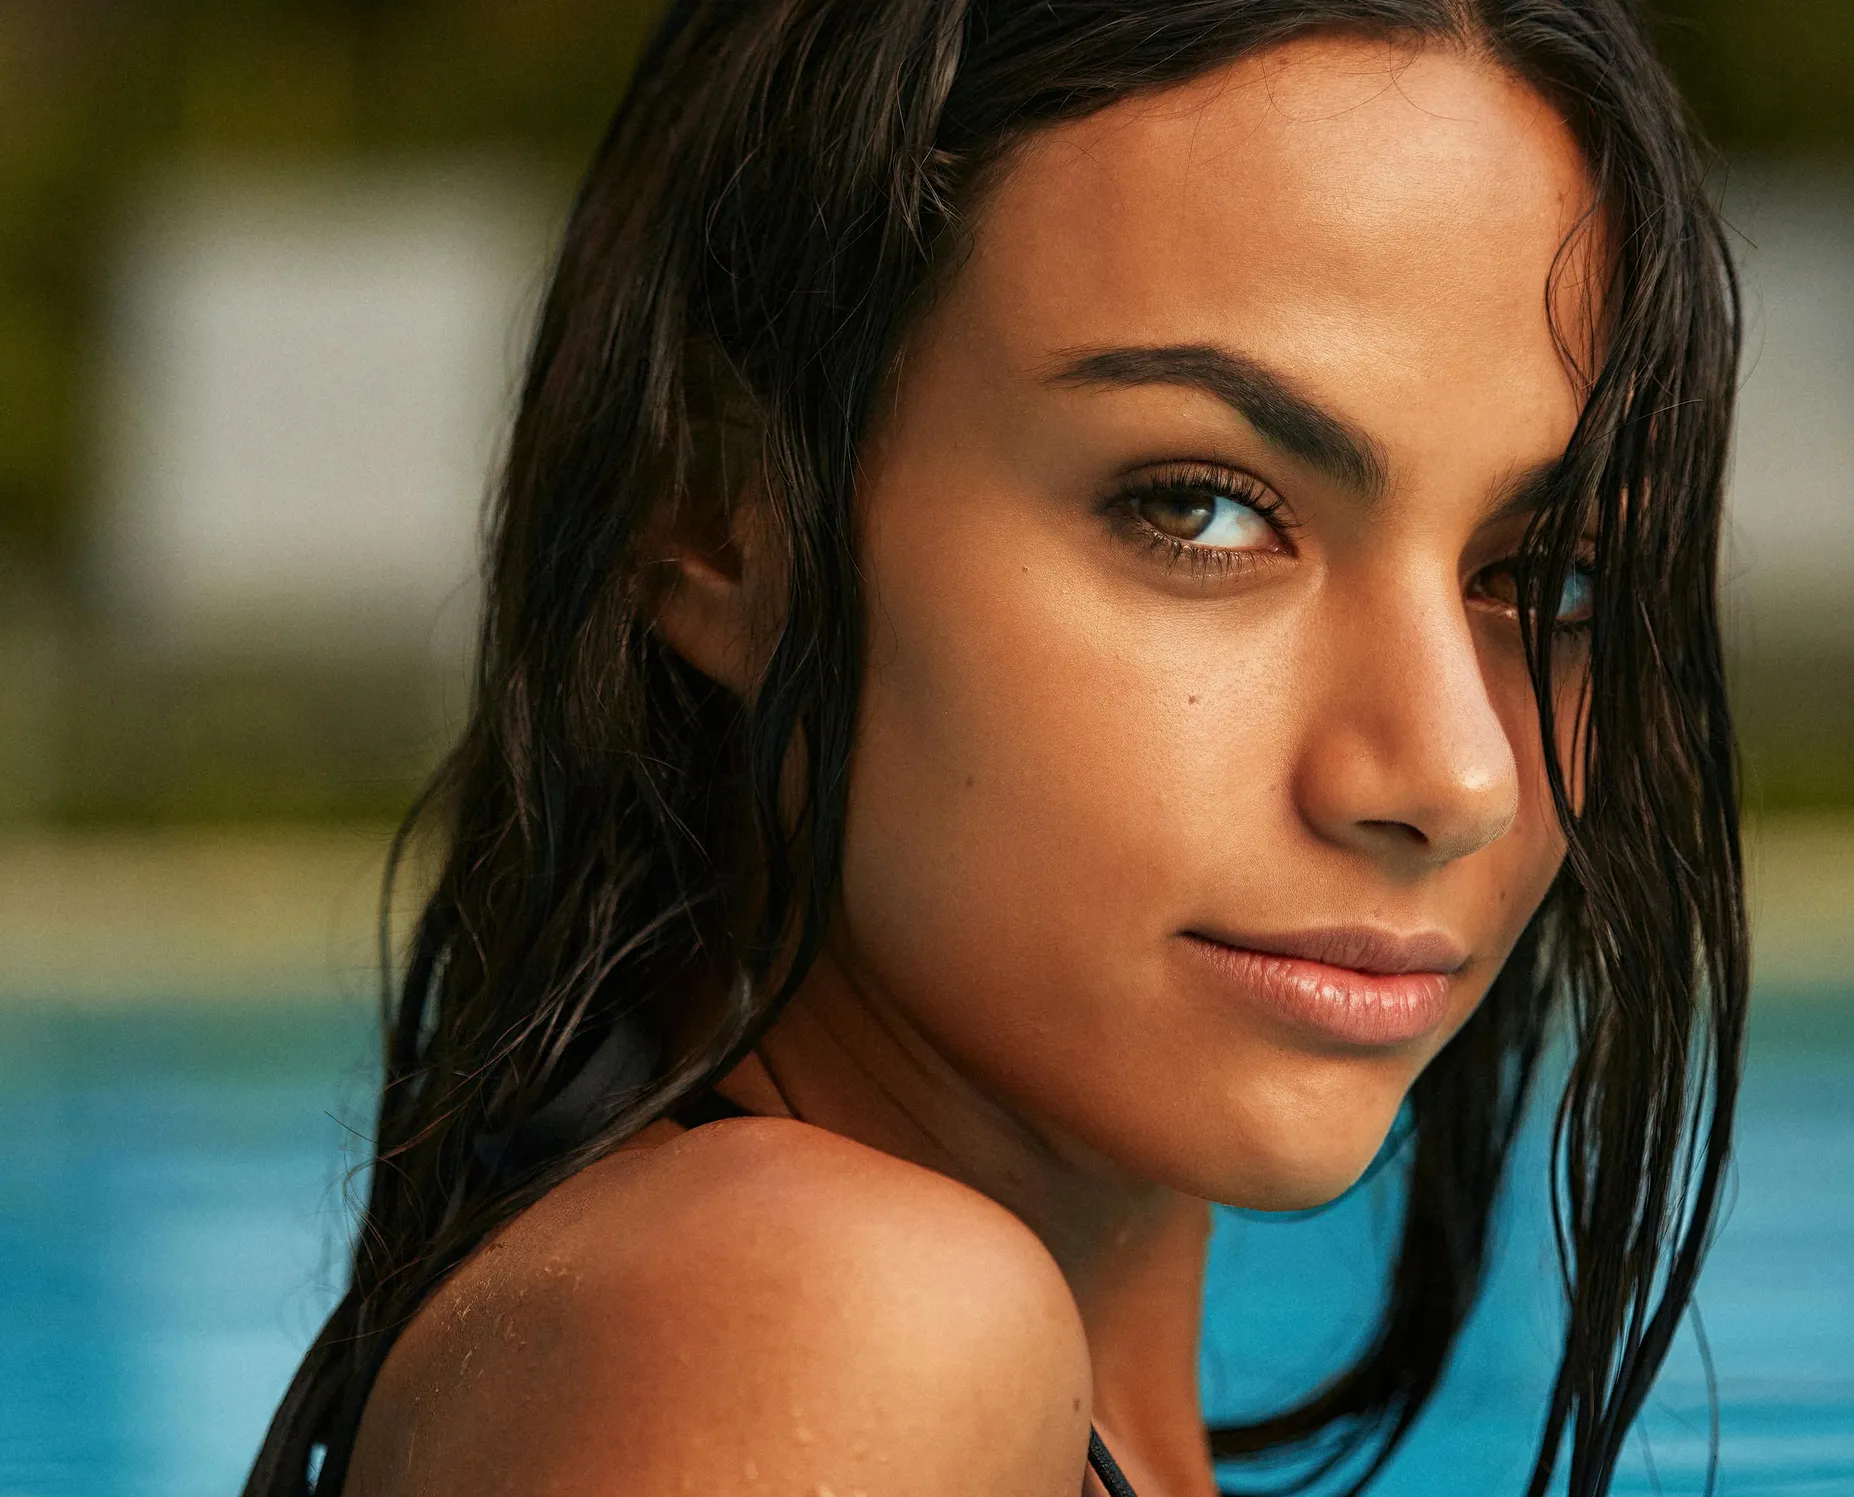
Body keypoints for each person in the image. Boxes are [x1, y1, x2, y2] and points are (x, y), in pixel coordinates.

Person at [246, 2, 1747, 1494]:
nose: (1452, 775)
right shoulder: (825, 1323)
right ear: (715, 513)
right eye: (1198, 508)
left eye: (1551, 582)